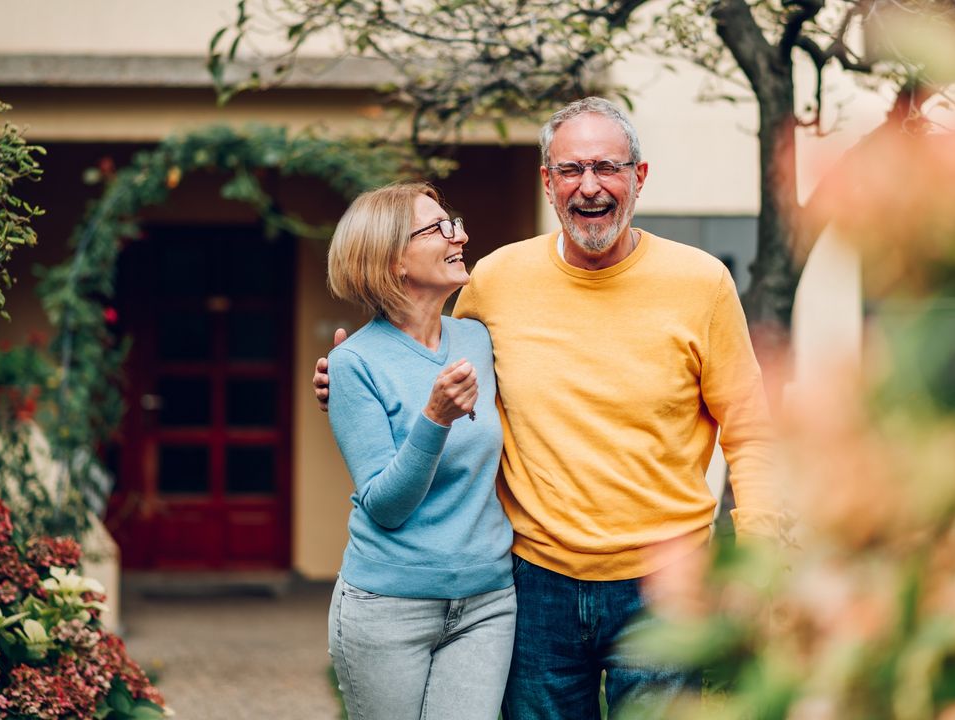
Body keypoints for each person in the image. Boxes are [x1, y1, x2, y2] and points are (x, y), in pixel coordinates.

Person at [315, 98, 779, 719]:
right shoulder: (496, 280)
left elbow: (750, 432)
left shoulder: (701, 282)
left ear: (639, 177)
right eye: (570, 170)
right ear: (548, 183)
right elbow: (420, 349)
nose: (589, 186)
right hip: (533, 585)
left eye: (607, 167)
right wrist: (345, 383)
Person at [322, 182, 516, 720]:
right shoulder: (353, 363)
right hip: (388, 606)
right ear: (391, 260)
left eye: (453, 222)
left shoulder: (478, 338)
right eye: (439, 228)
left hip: (487, 601)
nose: (462, 235)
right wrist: (434, 419)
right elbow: (385, 505)